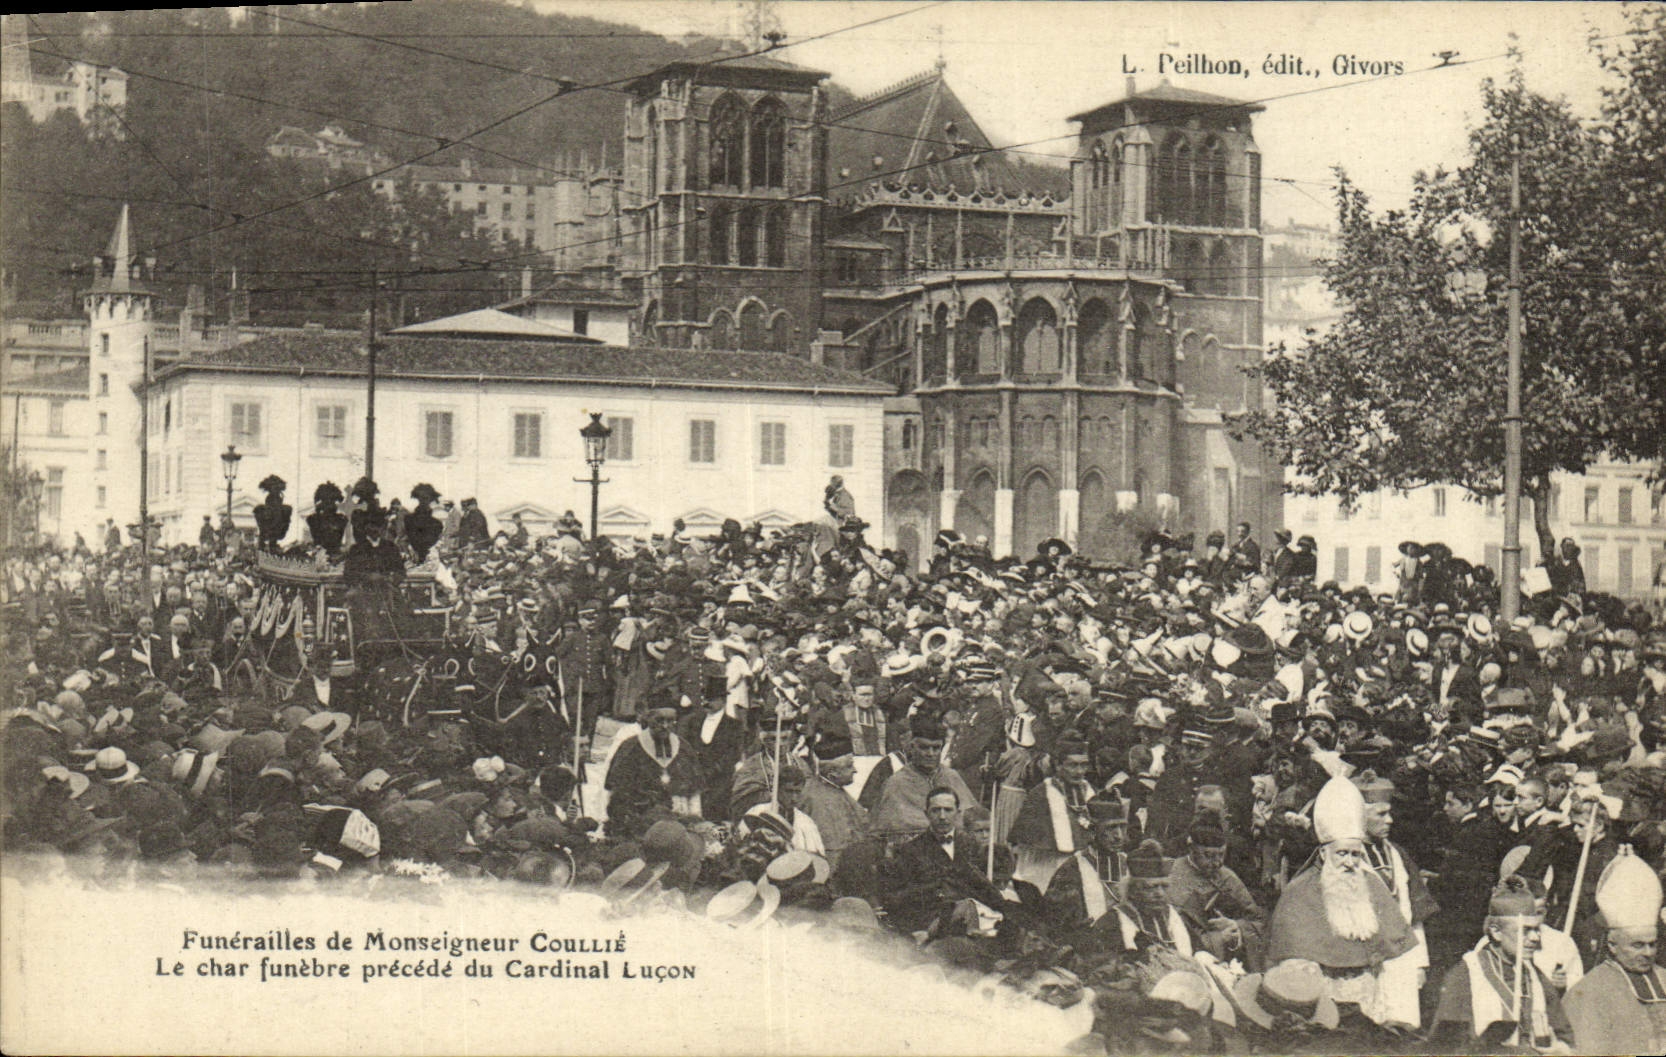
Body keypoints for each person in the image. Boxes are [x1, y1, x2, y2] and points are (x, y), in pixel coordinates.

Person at [1265, 776, 1416, 1022]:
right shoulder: (1299, 892)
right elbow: (1290, 960)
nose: (1349, 862)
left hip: (1367, 996)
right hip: (1320, 996)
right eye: (1342, 853)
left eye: (1355, 854)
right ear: (1324, 853)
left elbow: (1392, 948)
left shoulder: (1372, 886)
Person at [1428, 875, 1574, 1053]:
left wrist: (1558, 1050)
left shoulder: (1536, 977)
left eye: (1537, 929)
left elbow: (1564, 1035)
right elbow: (1445, 1048)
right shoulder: (1466, 975)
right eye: (1525, 931)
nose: (1535, 938)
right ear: (1496, 932)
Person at [1563, 848, 1666, 1053]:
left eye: (1652, 944)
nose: (1647, 953)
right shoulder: (1587, 992)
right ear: (1612, 945)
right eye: (1637, 945)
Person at [877, 786, 1012, 939]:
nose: (942, 816)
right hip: (931, 926)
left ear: (958, 813)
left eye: (948, 810)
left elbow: (987, 889)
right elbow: (895, 899)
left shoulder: (973, 846)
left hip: (976, 922)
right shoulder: (909, 851)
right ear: (926, 814)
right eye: (936, 810)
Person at [252, 475, 291, 553]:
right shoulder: (271, 499)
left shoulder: (277, 499)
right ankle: (268, 545)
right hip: (272, 518)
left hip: (275, 518)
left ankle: (269, 545)